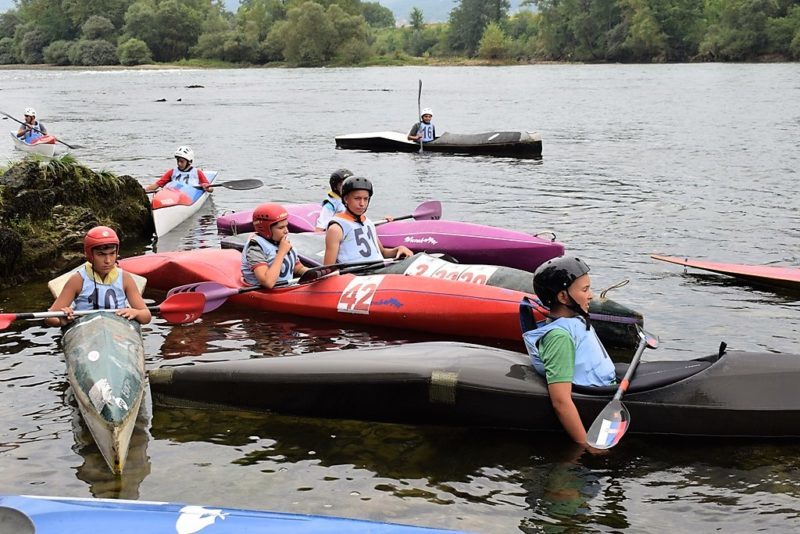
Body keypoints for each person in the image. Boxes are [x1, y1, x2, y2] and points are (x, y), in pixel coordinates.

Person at [521, 256, 616, 448]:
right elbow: (561, 401)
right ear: (563, 297)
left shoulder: (575, 320)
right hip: (594, 396)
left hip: (605, 385)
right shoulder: (559, 337)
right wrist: (585, 444)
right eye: (585, 289)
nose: (591, 295)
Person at [46, 226, 152, 327]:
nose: (108, 260)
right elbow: (50, 317)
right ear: (90, 255)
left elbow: (146, 316)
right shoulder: (77, 280)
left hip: (118, 330)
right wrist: (62, 321)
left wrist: (136, 313)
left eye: (112, 253)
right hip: (87, 329)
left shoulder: (125, 278)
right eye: (101, 254)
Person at [323, 176, 412, 265]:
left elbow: (383, 253)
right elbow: (328, 268)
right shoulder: (336, 229)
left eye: (365, 199)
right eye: (357, 198)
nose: (362, 204)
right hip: (357, 274)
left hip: (378, 270)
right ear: (346, 199)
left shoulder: (368, 223)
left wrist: (398, 249)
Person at [241, 203, 309, 289]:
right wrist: (281, 253)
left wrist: (313, 273)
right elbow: (268, 283)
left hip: (286, 289)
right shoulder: (255, 248)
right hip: (266, 292)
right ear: (266, 229)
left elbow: (297, 268)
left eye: (286, 226)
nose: (286, 231)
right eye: (281, 228)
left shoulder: (280, 241)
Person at [144, 146, 213, 193]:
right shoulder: (172, 172)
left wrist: (206, 187)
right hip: (175, 195)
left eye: (182, 161)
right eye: (178, 161)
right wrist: (143, 191)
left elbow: (211, 189)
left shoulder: (197, 172)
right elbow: (157, 185)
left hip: (189, 195)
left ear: (189, 162)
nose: (179, 163)